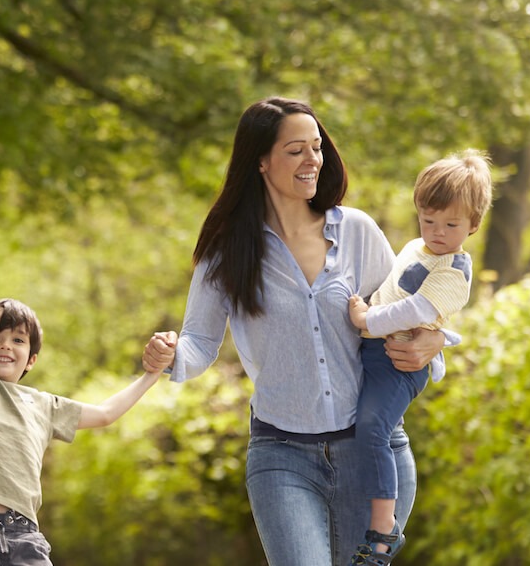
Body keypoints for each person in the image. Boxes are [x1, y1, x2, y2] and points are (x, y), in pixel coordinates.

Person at [142, 97, 453, 565]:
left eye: (317, 147)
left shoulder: (357, 232)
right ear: (261, 161)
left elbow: (407, 314)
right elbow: (200, 342)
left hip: (372, 452)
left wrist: (435, 344)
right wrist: (169, 355)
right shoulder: (228, 251)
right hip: (281, 456)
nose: (313, 160)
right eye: (296, 150)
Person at [0, 221, 169, 565]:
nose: (5, 346)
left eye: (17, 340)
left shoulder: (44, 405)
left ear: (32, 358)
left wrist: (151, 375)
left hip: (25, 533)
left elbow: (104, 413)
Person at [343, 149, 493, 565]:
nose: (437, 232)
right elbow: (390, 288)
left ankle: (381, 535)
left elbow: (414, 311)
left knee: (374, 427)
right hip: (376, 350)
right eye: (429, 220)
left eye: (451, 224)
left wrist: (366, 319)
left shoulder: (454, 273)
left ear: (473, 225)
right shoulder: (415, 247)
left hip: (398, 363)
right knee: (362, 423)